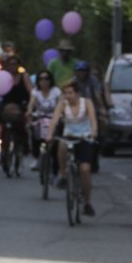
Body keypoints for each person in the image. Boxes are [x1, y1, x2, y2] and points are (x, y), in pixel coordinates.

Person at [51, 81, 99, 216]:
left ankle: (87, 203)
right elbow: (54, 120)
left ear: (77, 93)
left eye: (70, 93)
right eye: (65, 93)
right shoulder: (62, 104)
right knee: (61, 145)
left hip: (85, 138)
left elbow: (93, 119)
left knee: (85, 169)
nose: (68, 96)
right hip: (69, 137)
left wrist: (93, 133)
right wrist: (49, 135)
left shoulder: (87, 103)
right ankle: (63, 175)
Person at [28, 71, 61, 163]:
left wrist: (60, 114)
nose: (44, 81)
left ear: (50, 80)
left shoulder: (56, 91)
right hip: (40, 117)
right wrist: (29, 111)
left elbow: (61, 103)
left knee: (56, 139)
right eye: (41, 79)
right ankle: (36, 157)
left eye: (46, 78)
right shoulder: (35, 92)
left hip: (54, 118)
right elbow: (31, 104)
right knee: (33, 130)